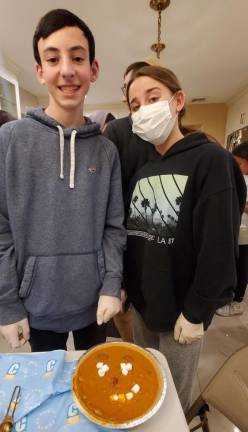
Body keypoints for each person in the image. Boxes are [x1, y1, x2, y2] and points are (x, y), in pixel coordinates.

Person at [0, 9, 126, 352]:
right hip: (35, 309)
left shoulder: (106, 151)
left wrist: (112, 285)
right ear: (40, 72)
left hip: (95, 306)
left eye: (78, 57)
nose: (67, 70)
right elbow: (1, 231)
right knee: (48, 396)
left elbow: (114, 228)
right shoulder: (10, 140)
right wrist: (7, 305)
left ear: (93, 69)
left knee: (96, 391)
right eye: (53, 59)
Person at [124, 65, 246, 412]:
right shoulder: (143, 170)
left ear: (177, 101)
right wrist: (126, 287)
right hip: (143, 308)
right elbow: (137, 237)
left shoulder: (212, 160)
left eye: (152, 98)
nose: (143, 109)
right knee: (145, 386)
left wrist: (196, 311)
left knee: (172, 402)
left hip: (181, 313)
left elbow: (219, 245)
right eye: (134, 105)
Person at [104, 61, 155, 342]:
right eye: (128, 88)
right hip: (123, 235)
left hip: (160, 236)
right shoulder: (117, 131)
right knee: (124, 312)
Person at [216, 141, 248, 316]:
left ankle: (237, 302)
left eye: (240, 162)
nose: (237, 166)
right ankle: (226, 298)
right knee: (232, 265)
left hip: (245, 235)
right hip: (234, 232)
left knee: (242, 267)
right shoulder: (239, 177)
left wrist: (237, 202)